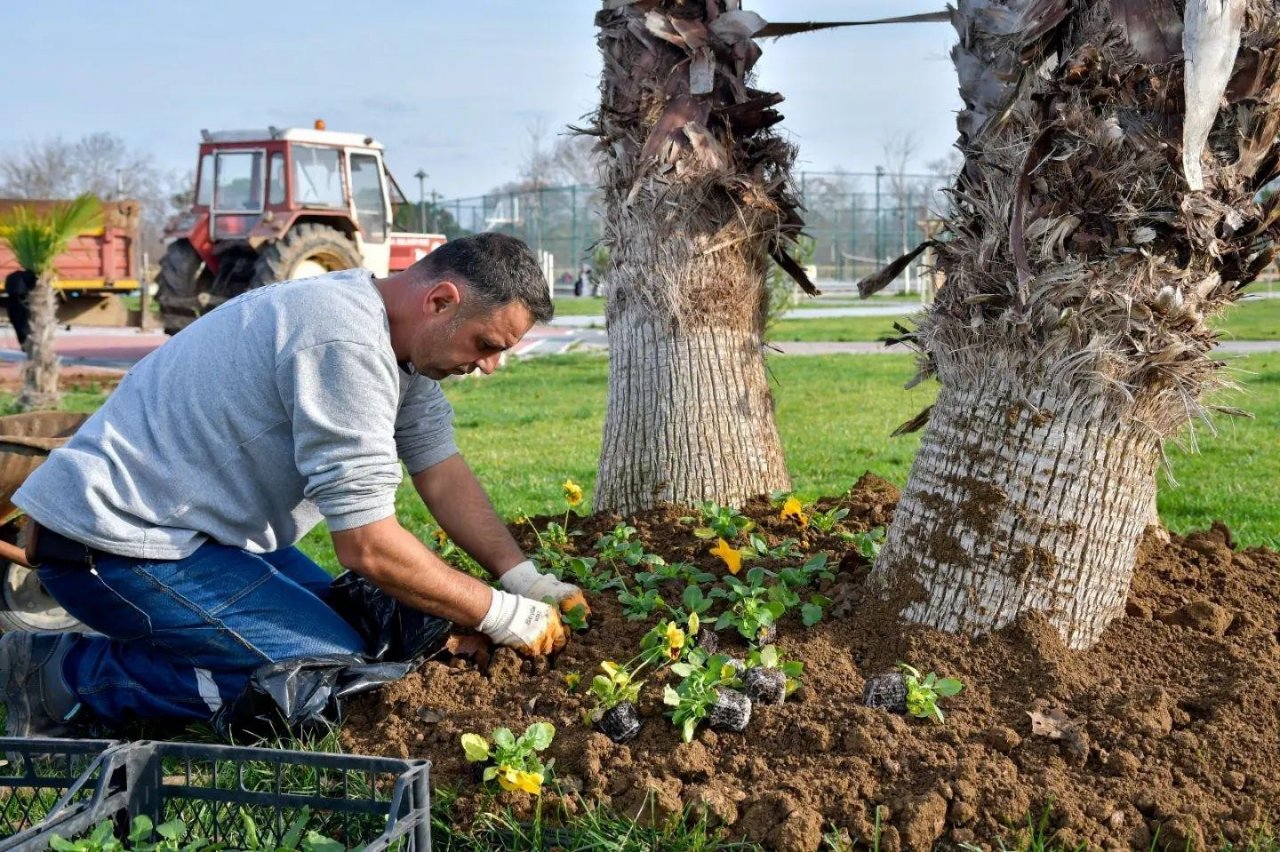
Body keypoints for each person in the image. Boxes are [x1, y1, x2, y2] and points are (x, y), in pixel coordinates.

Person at [0, 233, 588, 737]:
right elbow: (367, 546)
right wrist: (503, 615)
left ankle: (175, 642)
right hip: (112, 543)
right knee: (321, 676)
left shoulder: (389, 336)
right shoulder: (344, 342)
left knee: (362, 633)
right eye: (487, 345)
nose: (489, 366)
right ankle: (61, 674)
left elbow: (441, 471)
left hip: (198, 533)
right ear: (441, 300)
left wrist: (522, 579)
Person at [4, 267, 35, 350]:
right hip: (22, 302)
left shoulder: (11, 276)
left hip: (11, 303)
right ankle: (30, 346)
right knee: (25, 325)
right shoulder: (28, 276)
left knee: (18, 326)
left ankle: (24, 345)